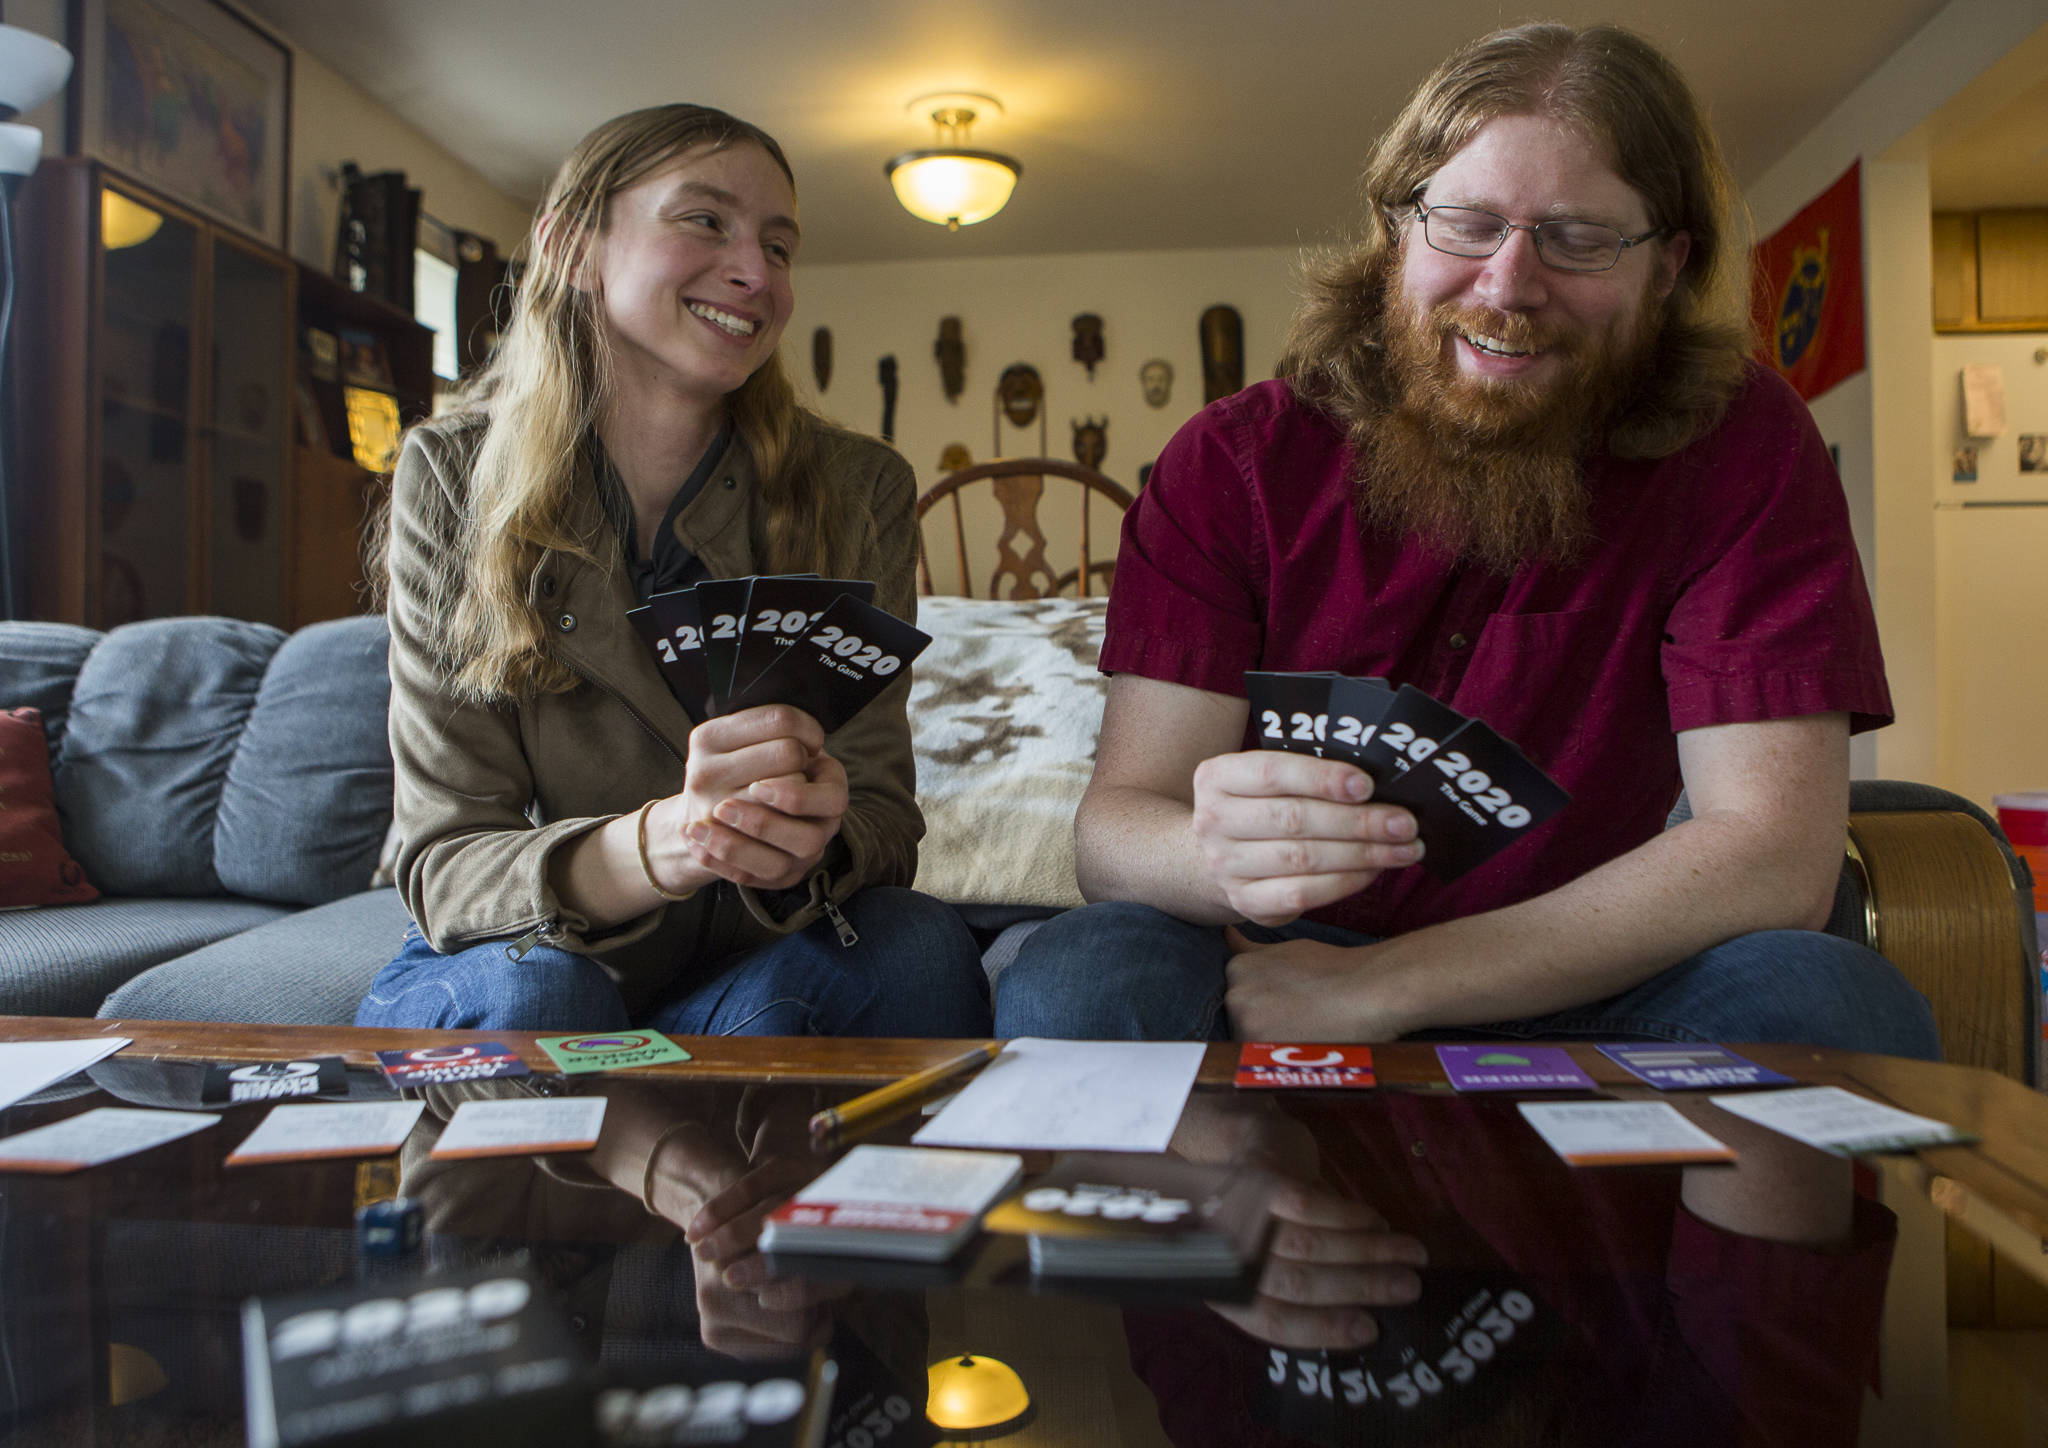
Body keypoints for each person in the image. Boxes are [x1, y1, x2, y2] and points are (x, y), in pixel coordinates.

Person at [994, 23, 1940, 1056]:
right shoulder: (1230, 463)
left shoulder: (1744, 448)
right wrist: (1209, 852)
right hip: (1268, 961)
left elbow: (1768, 855)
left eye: (1577, 238)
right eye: (1466, 224)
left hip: (1587, 961)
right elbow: (1112, 832)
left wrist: (1387, 985)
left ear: (1667, 267)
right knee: (1078, 976)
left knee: (1827, 1000)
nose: (1506, 285)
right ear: (1396, 227)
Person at [356, 104, 990, 1039]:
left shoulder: (861, 488)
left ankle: (688, 1124)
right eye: (704, 221)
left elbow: (886, 816)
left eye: (779, 246)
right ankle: (654, 1139)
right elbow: (446, 865)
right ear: (573, 245)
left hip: (746, 968)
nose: (755, 272)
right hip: (535, 955)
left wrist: (813, 848)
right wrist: (662, 846)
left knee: (919, 947)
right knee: (548, 1000)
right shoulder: (453, 475)